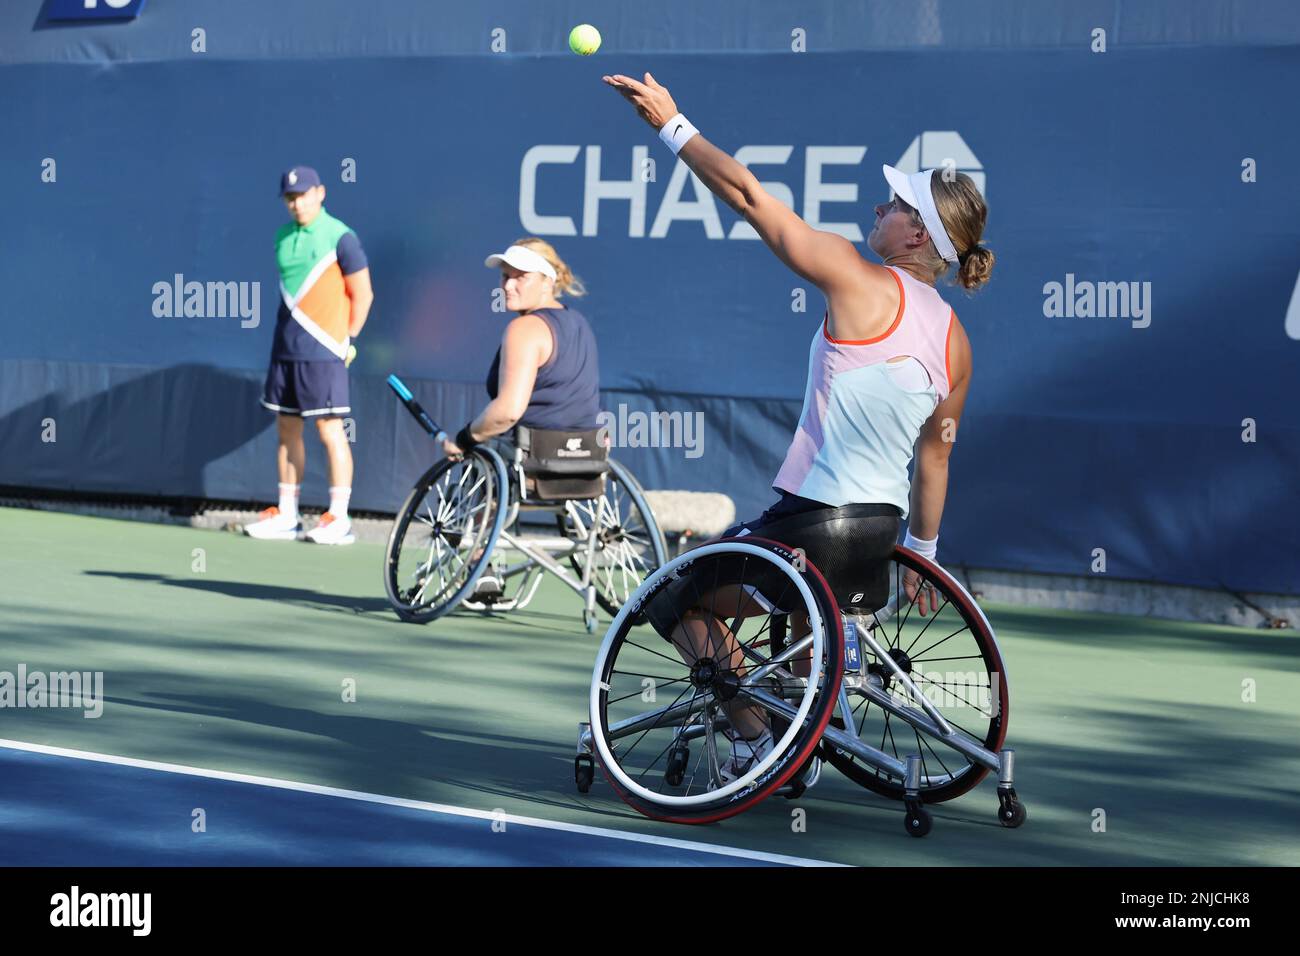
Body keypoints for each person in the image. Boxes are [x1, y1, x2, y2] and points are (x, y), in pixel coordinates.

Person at [604, 71, 994, 783]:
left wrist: (670, 122)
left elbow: (750, 197)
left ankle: (760, 740)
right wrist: (925, 556)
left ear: (914, 234)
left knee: (673, 599)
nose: (879, 206)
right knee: (808, 610)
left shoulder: (853, 273)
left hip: (814, 522)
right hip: (879, 534)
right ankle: (796, 723)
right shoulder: (957, 342)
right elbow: (934, 462)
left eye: (895, 202)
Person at [442, 238, 600, 592]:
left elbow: (507, 412)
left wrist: (465, 438)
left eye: (521, 276)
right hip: (589, 465)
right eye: (505, 276)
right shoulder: (580, 326)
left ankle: (478, 560)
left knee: (480, 453)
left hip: (532, 467)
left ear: (547, 280)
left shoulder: (524, 329)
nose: (508, 285)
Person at [245, 166, 374, 545]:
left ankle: (339, 519)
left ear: (321, 193)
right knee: (286, 430)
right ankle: (286, 515)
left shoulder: (341, 238)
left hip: (325, 350)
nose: (296, 203)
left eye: (303, 195)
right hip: (285, 350)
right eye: (290, 197)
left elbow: (363, 294)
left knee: (330, 431)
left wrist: (348, 339)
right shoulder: (281, 237)